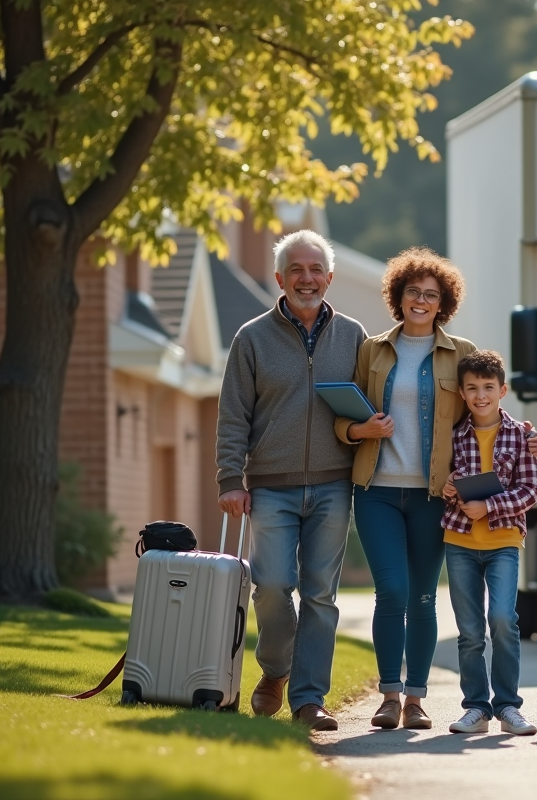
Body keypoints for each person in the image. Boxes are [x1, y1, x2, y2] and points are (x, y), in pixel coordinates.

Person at [339, 248, 537, 731]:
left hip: (436, 495)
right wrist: (359, 431)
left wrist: (524, 436)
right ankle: (389, 695)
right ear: (398, 295)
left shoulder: (460, 350)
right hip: (377, 489)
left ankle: (416, 699)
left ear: (443, 302)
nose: (421, 300)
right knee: (391, 591)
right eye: (413, 291)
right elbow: (344, 415)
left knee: (423, 598)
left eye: (431, 294)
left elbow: (485, 406)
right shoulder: (372, 350)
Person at [216, 230, 366, 731]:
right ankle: (276, 669)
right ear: (280, 279)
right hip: (270, 486)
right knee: (273, 586)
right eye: (296, 270)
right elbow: (233, 415)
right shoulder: (251, 337)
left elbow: (373, 407)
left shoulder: (353, 336)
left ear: (329, 277)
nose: (307, 278)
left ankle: (309, 700)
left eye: (315, 269)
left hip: (333, 484)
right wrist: (229, 479)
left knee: (320, 594)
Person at [440, 350, 537, 736]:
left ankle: (508, 706)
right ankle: (476, 708)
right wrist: (449, 488)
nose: (480, 395)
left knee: (502, 619)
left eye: (487, 387)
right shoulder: (453, 435)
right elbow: (446, 483)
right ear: (462, 393)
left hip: (504, 541)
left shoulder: (521, 436)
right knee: (469, 631)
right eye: (472, 388)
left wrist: (490, 506)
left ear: (503, 390)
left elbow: (531, 489)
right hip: (460, 541)